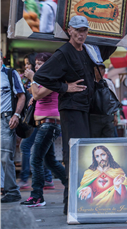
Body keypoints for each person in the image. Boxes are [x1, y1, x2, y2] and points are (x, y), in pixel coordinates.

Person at [33, 15, 116, 214]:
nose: (81, 34)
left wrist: (125, 21)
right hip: (71, 110)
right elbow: (40, 76)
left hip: (85, 109)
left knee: (84, 155)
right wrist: (65, 87)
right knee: (74, 155)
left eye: (84, 30)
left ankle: (77, 202)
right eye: (77, 30)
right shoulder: (63, 53)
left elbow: (110, 46)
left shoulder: (87, 50)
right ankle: (71, 204)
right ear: (69, 30)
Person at [20, 52, 67, 207]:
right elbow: (36, 94)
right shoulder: (43, 80)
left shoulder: (52, 78)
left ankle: (37, 196)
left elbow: (39, 94)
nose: (38, 66)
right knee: (50, 161)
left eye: (42, 63)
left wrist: (33, 79)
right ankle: (72, 185)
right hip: (44, 124)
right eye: (37, 63)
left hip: (49, 124)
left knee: (35, 158)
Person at [19, 53, 54, 189]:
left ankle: (27, 180)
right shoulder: (30, 78)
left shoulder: (43, 78)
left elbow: (38, 94)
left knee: (28, 148)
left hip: (43, 119)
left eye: (29, 63)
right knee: (46, 152)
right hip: (39, 119)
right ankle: (48, 179)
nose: (27, 66)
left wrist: (32, 83)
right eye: (26, 63)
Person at [0, 52, 25, 203]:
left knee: (4, 156)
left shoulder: (10, 73)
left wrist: (16, 115)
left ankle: (12, 191)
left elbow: (21, 95)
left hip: (6, 119)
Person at [90, 64, 118, 138]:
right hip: (93, 117)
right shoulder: (90, 82)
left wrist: (115, 115)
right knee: (94, 139)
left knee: (109, 139)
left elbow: (113, 100)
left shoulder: (108, 83)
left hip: (107, 116)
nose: (100, 72)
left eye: (102, 69)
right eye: (98, 69)